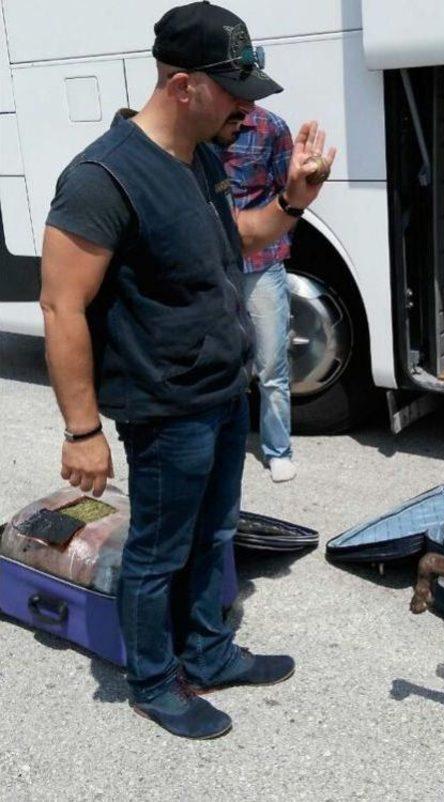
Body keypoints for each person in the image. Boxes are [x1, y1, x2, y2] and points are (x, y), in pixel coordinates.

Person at [39, 1, 335, 740]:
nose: (246, 105)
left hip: (220, 390)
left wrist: (296, 198)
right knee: (159, 551)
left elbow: (242, 234)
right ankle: (153, 682)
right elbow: (60, 307)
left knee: (215, 534)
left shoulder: (200, 157)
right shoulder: (103, 177)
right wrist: (82, 432)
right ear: (182, 86)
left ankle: (207, 653)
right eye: (234, 89)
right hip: (165, 404)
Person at [215, 106, 297, 482]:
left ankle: (278, 450)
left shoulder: (270, 127)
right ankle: (218, 443)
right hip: (215, 261)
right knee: (219, 362)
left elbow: (289, 192)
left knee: (271, 363)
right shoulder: (202, 123)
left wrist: (277, 242)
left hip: (262, 262)